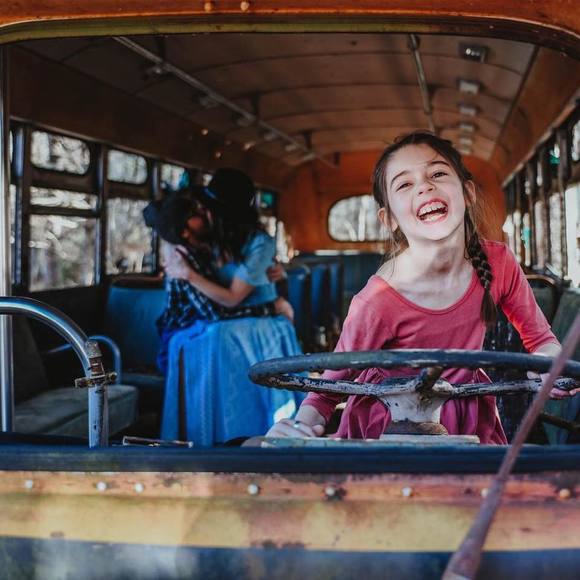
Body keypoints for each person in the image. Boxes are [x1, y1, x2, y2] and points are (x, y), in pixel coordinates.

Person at [267, 131, 576, 444]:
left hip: (468, 415)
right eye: (404, 184)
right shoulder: (377, 301)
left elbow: (541, 340)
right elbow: (327, 391)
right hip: (391, 428)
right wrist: (299, 428)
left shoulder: (499, 262)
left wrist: (551, 365)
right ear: (389, 219)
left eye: (438, 174)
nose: (424, 186)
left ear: (468, 192)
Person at [159, 168, 304, 445]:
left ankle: (253, 442)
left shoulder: (259, 243)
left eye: (206, 208)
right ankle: (210, 441)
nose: (202, 212)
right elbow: (166, 224)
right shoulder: (208, 237)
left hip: (255, 321)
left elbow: (232, 298)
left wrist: (189, 274)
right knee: (207, 338)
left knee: (219, 338)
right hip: (225, 321)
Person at [143, 187, 291, 374]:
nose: (203, 215)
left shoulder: (207, 246)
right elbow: (216, 313)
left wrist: (276, 271)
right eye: (195, 214)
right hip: (188, 342)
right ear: (185, 231)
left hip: (212, 334)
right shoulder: (182, 264)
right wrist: (271, 308)